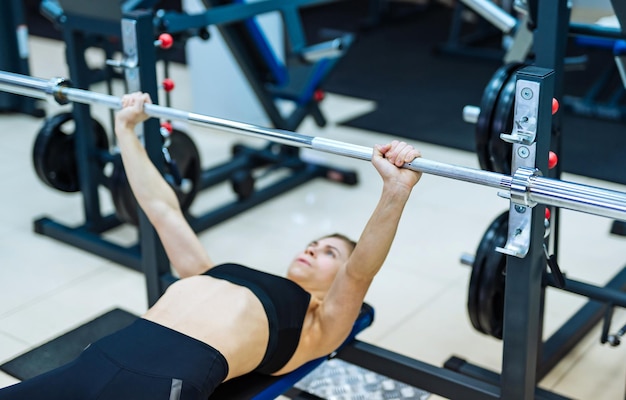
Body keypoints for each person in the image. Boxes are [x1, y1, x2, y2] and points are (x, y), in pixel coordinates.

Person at [0, 93, 422, 400]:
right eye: (315, 242)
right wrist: (125, 131)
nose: (313, 249)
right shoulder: (210, 273)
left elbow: (360, 271)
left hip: (167, 380)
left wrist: (395, 191)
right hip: (97, 360)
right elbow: (162, 210)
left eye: (330, 253)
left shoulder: (316, 325)